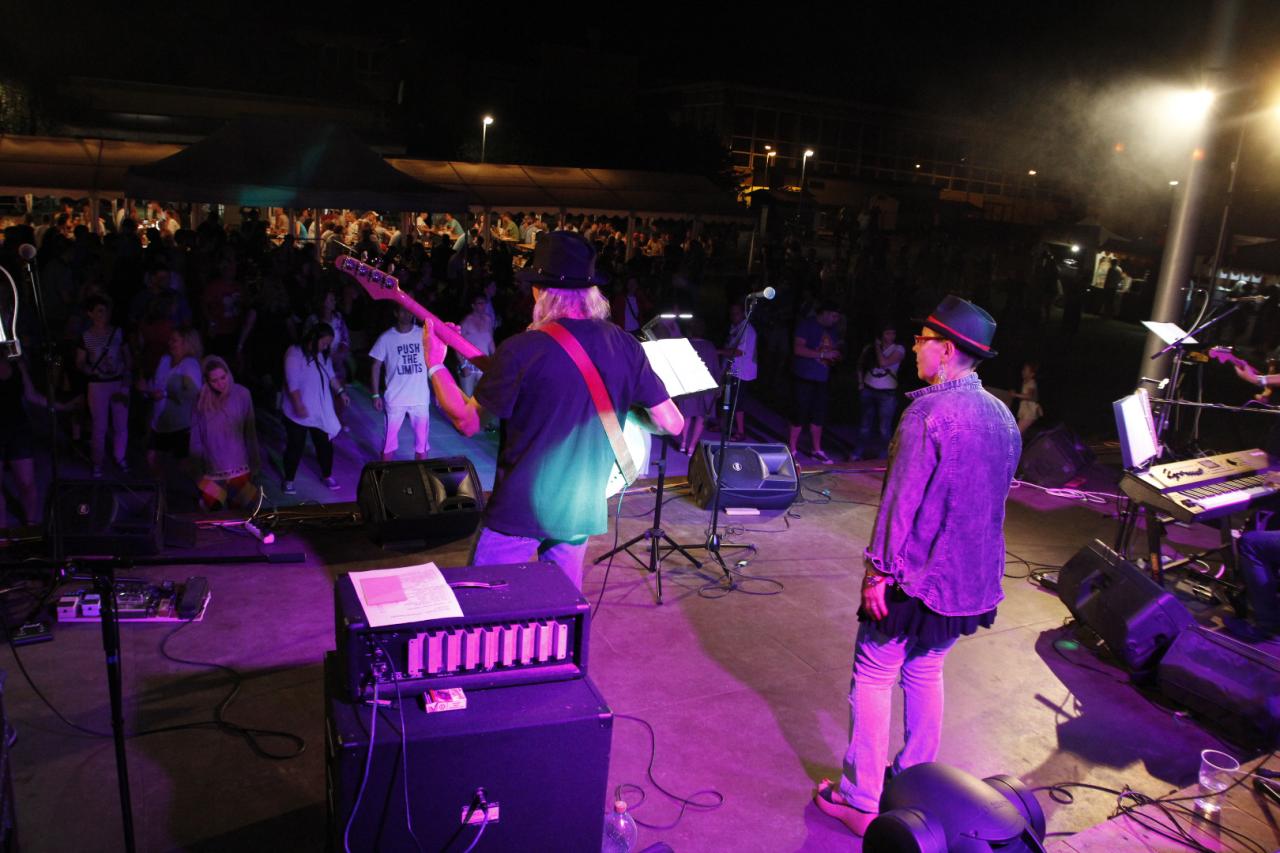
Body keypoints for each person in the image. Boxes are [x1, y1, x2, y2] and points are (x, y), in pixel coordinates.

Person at [814, 295, 1021, 836]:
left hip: (915, 580)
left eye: (922, 340)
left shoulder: (927, 414)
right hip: (971, 585)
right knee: (926, 670)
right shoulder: (1003, 417)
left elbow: (899, 504)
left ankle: (861, 799)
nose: (914, 348)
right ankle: (915, 785)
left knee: (874, 673)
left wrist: (878, 573)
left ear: (946, 350)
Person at [425, 231, 684, 589]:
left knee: (486, 603)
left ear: (541, 292)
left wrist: (435, 364)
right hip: (579, 509)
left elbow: (466, 421)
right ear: (592, 292)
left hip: (520, 509)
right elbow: (672, 423)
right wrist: (623, 405)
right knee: (561, 607)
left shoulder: (522, 348)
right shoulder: (625, 344)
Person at [281, 322, 349, 495]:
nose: (326, 347)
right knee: (295, 446)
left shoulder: (323, 355)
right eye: (324, 343)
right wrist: (298, 405)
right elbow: (292, 383)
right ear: (314, 337)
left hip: (319, 410)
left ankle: (327, 474)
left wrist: (341, 392)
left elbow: (331, 376)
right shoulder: (294, 353)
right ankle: (289, 480)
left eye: (328, 344)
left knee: (325, 445)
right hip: (298, 412)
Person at [190, 356, 261, 511]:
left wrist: (255, 465)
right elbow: (196, 438)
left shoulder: (242, 394)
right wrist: (197, 472)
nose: (221, 384)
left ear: (228, 373)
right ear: (207, 381)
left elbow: (250, 432)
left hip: (240, 468)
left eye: (223, 377)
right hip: (211, 471)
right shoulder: (200, 400)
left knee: (241, 513)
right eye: (214, 380)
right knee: (214, 514)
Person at [75, 295, 132, 477]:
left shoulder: (118, 333)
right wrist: (92, 370)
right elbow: (80, 362)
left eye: (106, 311)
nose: (104, 315)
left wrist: (126, 377)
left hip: (118, 381)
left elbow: (127, 357)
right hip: (98, 384)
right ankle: (97, 462)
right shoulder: (86, 337)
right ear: (90, 314)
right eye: (99, 311)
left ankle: (120, 457)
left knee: (121, 423)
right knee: (99, 425)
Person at [369, 306, 431, 462]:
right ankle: (385, 474)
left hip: (420, 398)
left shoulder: (423, 334)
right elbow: (375, 366)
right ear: (396, 313)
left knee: (422, 445)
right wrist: (375, 394)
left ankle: (420, 474)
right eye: (402, 311)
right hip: (395, 399)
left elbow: (433, 362)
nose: (407, 314)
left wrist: (439, 390)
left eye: (409, 310)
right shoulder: (386, 338)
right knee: (388, 445)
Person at [141, 327, 204, 475]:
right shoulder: (165, 360)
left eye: (174, 340)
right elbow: (157, 384)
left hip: (180, 424)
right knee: (154, 459)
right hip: (161, 421)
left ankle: (214, 491)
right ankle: (163, 489)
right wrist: (146, 389)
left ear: (186, 343)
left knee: (184, 468)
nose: (170, 343)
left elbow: (193, 392)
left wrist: (164, 394)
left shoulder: (190, 365)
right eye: (170, 339)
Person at [0, 355, 53, 525]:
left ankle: (30, 526)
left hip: (18, 429)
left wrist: (59, 406)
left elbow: (31, 395)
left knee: (26, 483)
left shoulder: (17, 365)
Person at [789, 302, 843, 464]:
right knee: (799, 413)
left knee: (818, 415)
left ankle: (816, 450)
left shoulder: (832, 330)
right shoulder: (807, 325)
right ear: (825, 313)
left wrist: (834, 356)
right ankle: (792, 449)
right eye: (833, 316)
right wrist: (822, 355)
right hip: (804, 376)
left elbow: (833, 350)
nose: (835, 320)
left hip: (822, 378)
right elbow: (798, 349)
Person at [853, 324, 905, 460]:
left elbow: (883, 363)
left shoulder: (898, 349)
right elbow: (860, 365)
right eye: (887, 333)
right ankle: (857, 453)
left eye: (893, 333)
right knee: (864, 426)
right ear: (881, 334)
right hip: (869, 388)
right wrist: (860, 383)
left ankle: (883, 456)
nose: (891, 337)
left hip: (887, 392)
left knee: (884, 428)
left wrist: (877, 347)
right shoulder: (869, 348)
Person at [720, 300, 758, 441]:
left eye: (736, 313)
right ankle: (723, 425)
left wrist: (718, 351)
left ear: (743, 313)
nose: (733, 316)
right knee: (727, 398)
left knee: (737, 402)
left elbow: (739, 352)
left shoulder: (747, 330)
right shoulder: (735, 327)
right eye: (732, 313)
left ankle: (740, 431)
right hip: (732, 369)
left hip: (742, 372)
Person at [457, 294, 497, 397]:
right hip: (469, 364)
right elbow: (456, 345)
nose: (483, 306)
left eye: (484, 303)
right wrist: (463, 366)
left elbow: (490, 342)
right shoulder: (466, 322)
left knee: (484, 398)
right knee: (468, 397)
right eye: (480, 303)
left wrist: (496, 360)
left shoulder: (488, 320)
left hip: (484, 362)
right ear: (473, 306)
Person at [1010, 361, 1043, 433]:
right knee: (1018, 432)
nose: (1023, 371)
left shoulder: (1031, 382)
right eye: (1023, 369)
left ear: (1032, 374)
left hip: (1030, 412)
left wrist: (1015, 394)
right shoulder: (1025, 382)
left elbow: (1029, 396)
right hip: (1025, 411)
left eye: (1025, 370)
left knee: (1017, 432)